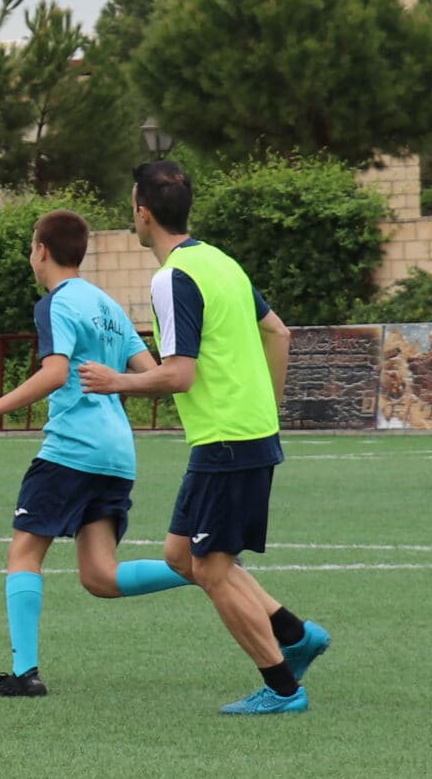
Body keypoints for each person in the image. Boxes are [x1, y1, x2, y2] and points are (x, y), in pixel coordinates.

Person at [77, 161, 331, 715]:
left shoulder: (172, 278)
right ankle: (295, 634)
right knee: (181, 556)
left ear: (142, 213)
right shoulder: (220, 261)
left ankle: (283, 688)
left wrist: (117, 380)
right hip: (241, 431)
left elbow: (180, 373)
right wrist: (268, 402)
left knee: (211, 568)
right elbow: (278, 331)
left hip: (227, 438)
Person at [0, 210, 195, 696]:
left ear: (41, 249)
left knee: (24, 552)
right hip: (117, 453)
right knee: (100, 576)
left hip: (72, 449)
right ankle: (199, 570)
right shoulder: (107, 305)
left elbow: (54, 373)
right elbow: (150, 372)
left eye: (30, 245)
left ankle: (25, 674)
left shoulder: (56, 303)